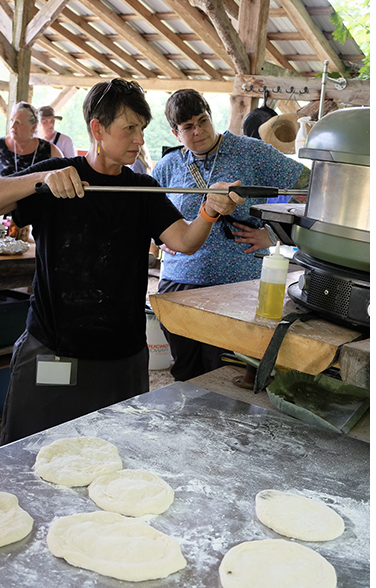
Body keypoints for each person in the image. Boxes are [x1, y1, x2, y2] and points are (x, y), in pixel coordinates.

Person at [0, 78, 241, 445]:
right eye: (129, 128)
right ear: (97, 128)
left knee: (114, 453)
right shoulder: (57, 176)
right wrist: (41, 179)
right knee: (32, 448)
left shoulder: (141, 190)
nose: (139, 139)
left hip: (122, 354)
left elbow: (183, 241)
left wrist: (209, 210)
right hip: (54, 352)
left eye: (141, 129)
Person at [151, 89, 308, 381]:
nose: (198, 131)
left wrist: (277, 236)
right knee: (184, 371)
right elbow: (146, 215)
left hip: (236, 287)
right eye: (188, 127)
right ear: (175, 133)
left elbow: (310, 189)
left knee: (227, 374)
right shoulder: (166, 168)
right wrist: (158, 239)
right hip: (178, 287)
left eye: (203, 120)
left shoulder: (253, 152)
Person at [1, 102, 62, 176]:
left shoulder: (50, 151)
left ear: (33, 127)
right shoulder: (1, 146)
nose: (12, 126)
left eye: (18, 122)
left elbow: (63, 176)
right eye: (12, 121)